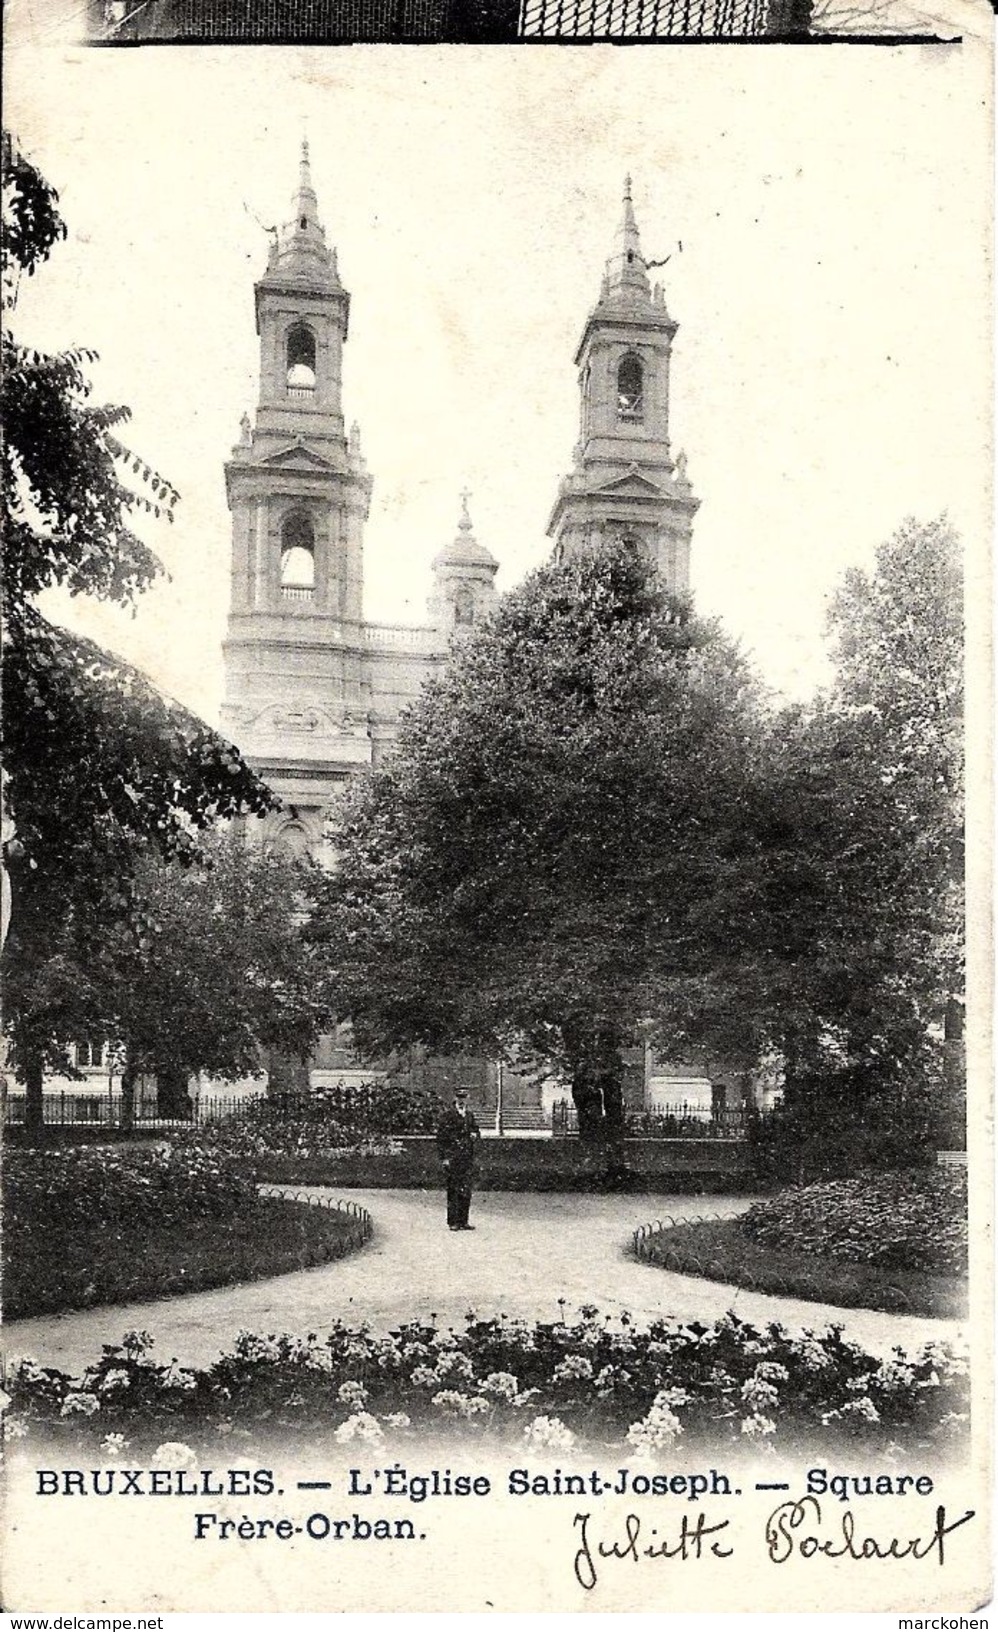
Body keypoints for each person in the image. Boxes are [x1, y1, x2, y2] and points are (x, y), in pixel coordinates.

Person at [435, 1088, 481, 1230]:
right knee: (453, 1189)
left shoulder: (469, 1115)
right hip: (453, 1157)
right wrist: (445, 1158)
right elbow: (441, 1138)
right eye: (459, 1097)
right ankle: (453, 1221)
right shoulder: (447, 1115)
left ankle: (463, 1220)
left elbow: (476, 1130)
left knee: (466, 1189)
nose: (462, 1100)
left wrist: (475, 1134)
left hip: (466, 1157)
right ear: (455, 1098)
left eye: (464, 1097)